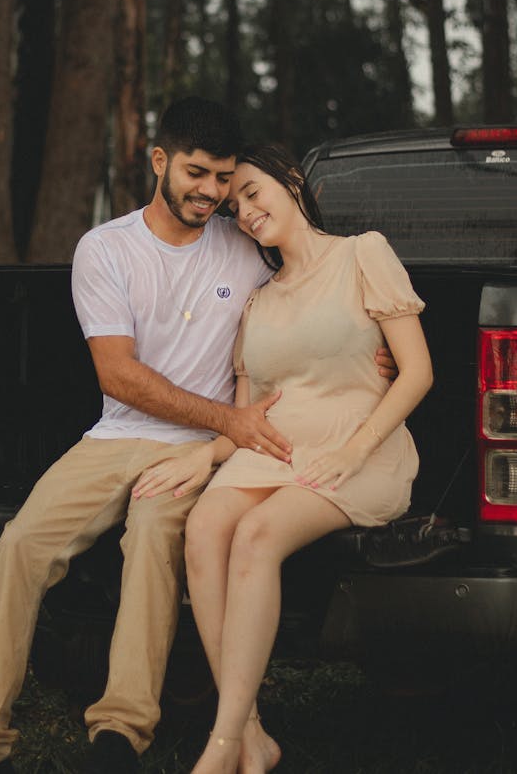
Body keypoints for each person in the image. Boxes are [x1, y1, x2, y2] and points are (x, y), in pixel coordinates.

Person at [0, 100, 395, 774]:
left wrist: (368, 355)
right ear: (159, 161)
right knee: (20, 545)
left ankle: (120, 733)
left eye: (221, 177)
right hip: (118, 435)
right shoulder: (107, 248)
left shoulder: (246, 248)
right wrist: (229, 421)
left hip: (197, 454)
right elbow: (118, 375)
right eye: (197, 173)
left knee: (153, 537)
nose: (212, 192)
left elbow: (311, 312)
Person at [177, 144, 433, 774]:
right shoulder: (258, 301)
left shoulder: (361, 253)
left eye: (254, 192)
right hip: (272, 450)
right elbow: (247, 414)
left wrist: (355, 449)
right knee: (204, 527)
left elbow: (418, 372)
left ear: (291, 182)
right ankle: (251, 734)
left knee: (257, 535)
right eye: (234, 206)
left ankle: (219, 746)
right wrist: (207, 455)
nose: (246, 211)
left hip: (358, 449)